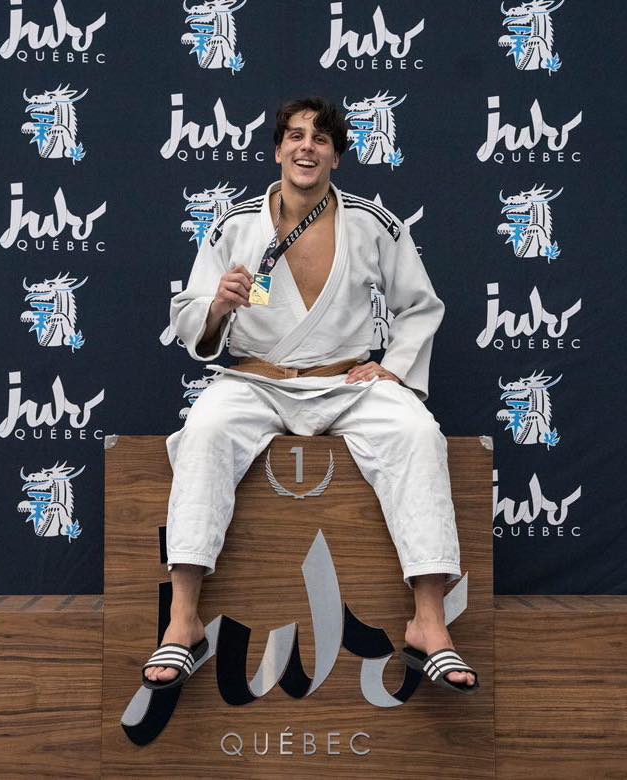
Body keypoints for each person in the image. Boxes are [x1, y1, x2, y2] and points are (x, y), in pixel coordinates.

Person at [142, 97, 478, 694]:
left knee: (417, 433)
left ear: (336, 157)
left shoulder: (374, 223)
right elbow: (191, 313)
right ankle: (183, 619)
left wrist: (394, 369)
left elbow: (420, 305)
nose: (306, 147)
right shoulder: (234, 225)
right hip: (258, 381)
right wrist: (218, 305)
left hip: (347, 382)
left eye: (321, 139)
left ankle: (429, 623)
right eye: (296, 136)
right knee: (205, 429)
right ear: (277, 149)